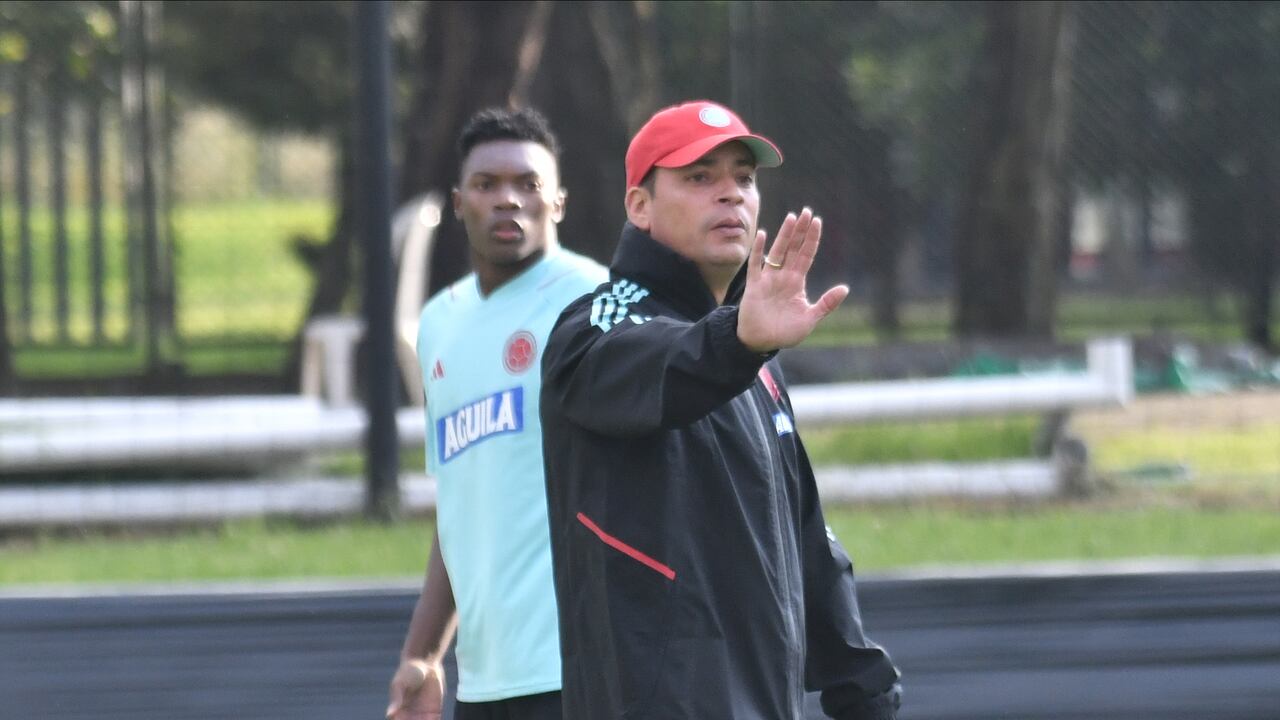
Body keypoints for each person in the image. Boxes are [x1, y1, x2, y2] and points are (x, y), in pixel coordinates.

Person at [539, 100, 903, 719]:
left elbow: (803, 528)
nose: (731, 194)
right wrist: (738, 340)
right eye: (699, 177)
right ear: (640, 207)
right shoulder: (595, 327)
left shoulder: (750, 347)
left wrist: (861, 682)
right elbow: (670, 364)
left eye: (744, 177)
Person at [386, 107, 608, 720]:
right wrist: (424, 655)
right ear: (460, 202)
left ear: (557, 202)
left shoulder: (594, 301)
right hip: (482, 683)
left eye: (528, 184)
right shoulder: (439, 322)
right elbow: (458, 504)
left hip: (582, 672)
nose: (507, 200)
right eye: (487, 185)